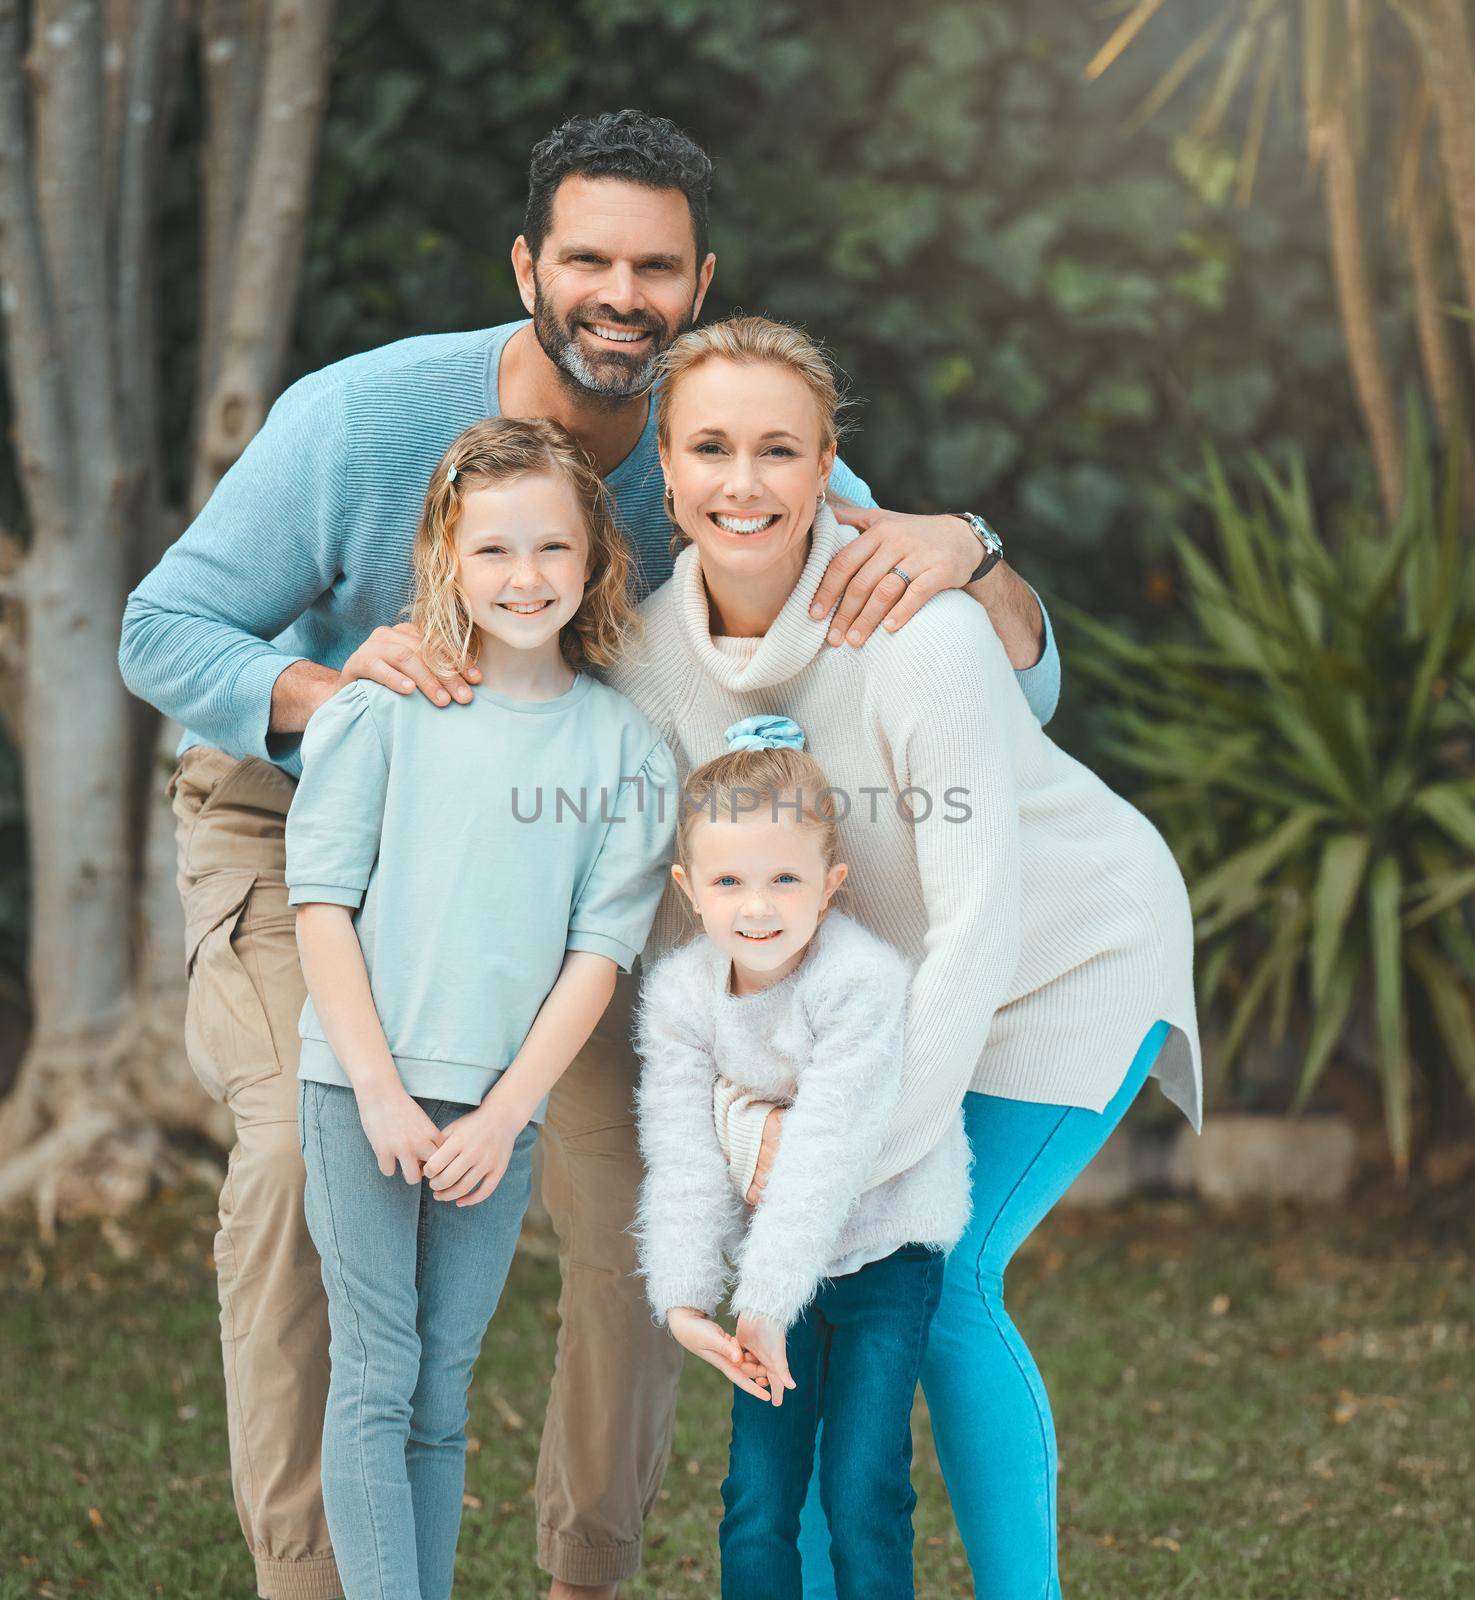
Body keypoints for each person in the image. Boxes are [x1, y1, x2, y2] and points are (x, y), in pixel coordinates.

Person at [118, 110, 1061, 1599]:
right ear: (526, 265)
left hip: (570, 856)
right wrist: (333, 693)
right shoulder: (358, 418)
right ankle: (317, 1582)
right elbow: (158, 630)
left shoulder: (722, 452)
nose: (619, 293)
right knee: (302, 1167)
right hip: (303, 828)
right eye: (587, 260)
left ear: (698, 283)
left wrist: (971, 551)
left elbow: (1021, 687)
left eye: (654, 267)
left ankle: (585, 1571)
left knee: (642, 1179)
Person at [604, 313, 1203, 1600]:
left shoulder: (913, 630)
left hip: (1062, 958)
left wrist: (835, 1164)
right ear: (661, 465)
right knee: (813, 1307)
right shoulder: (647, 664)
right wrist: (743, 1127)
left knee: (948, 1276)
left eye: (779, 450)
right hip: (866, 1003)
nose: (743, 482)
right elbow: (685, 949)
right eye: (710, 447)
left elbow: (978, 921)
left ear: (829, 470)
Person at [287, 416, 675, 1600]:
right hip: (360, 1086)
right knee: (376, 1369)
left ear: (595, 559)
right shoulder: (382, 715)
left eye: (552, 549)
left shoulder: (624, 747)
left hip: (494, 1115)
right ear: (447, 555)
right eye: (496, 550)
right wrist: (378, 1089)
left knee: (443, 1383)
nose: (525, 577)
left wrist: (509, 1113)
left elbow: (597, 952)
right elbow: (320, 907)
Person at [633, 721, 971, 1600]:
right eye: (730, 880)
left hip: (882, 1252)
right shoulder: (678, 995)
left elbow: (824, 1151)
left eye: (785, 877)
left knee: (864, 1491)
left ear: (831, 885)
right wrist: (679, 1299)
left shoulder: (859, 982)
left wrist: (767, 1305)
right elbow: (683, 1154)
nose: (757, 905)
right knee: (754, 1498)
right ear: (689, 889)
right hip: (766, 1282)